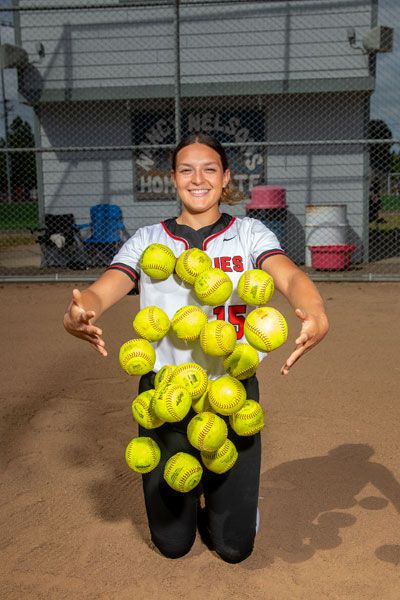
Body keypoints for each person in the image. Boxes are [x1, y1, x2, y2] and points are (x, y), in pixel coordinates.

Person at [63, 132, 329, 563]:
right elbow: (102, 290)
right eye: (186, 169)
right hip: (165, 394)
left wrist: (314, 309)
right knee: (173, 545)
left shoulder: (248, 234)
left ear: (226, 177)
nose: (198, 178)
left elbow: (288, 276)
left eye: (209, 168)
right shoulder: (150, 238)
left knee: (233, 548)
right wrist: (79, 311)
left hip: (232, 393)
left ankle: (231, 509)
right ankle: (192, 499)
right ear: (173, 178)